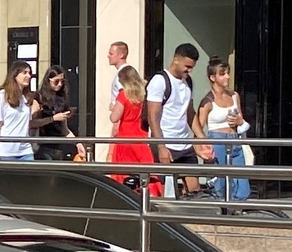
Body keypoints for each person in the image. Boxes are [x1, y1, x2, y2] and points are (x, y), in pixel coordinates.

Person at [147, 44, 201, 194]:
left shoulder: (188, 82)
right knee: (168, 192)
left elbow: (190, 112)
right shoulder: (159, 81)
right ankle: (166, 217)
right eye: (187, 66)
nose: (189, 70)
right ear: (176, 59)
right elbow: (153, 116)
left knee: (194, 188)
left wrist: (202, 138)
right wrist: (161, 146)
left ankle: (187, 216)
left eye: (192, 67)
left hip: (184, 143)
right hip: (166, 142)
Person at [200, 58, 251, 203]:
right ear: (212, 77)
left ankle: (238, 209)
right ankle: (221, 211)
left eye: (227, 73)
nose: (227, 77)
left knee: (241, 182)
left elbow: (241, 119)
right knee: (219, 182)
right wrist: (203, 146)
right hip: (217, 140)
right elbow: (199, 125)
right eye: (222, 74)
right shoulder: (207, 101)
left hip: (235, 139)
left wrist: (240, 122)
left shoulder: (234, 96)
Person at [108, 65, 151, 180]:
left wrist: (113, 109)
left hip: (125, 134)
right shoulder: (143, 94)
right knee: (141, 167)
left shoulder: (123, 95)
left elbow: (114, 118)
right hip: (140, 132)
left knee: (124, 169)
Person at [0, 59, 37, 162]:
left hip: (26, 150)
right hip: (7, 152)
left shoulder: (26, 97)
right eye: (24, 73)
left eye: (29, 73)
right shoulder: (1, 97)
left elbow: (28, 124)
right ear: (15, 75)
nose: (28, 76)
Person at [33, 66, 76, 161]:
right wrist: (53, 118)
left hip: (58, 147)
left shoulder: (61, 99)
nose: (60, 85)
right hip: (43, 146)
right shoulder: (39, 98)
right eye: (56, 81)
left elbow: (65, 129)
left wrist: (78, 143)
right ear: (48, 80)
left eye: (62, 82)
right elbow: (32, 122)